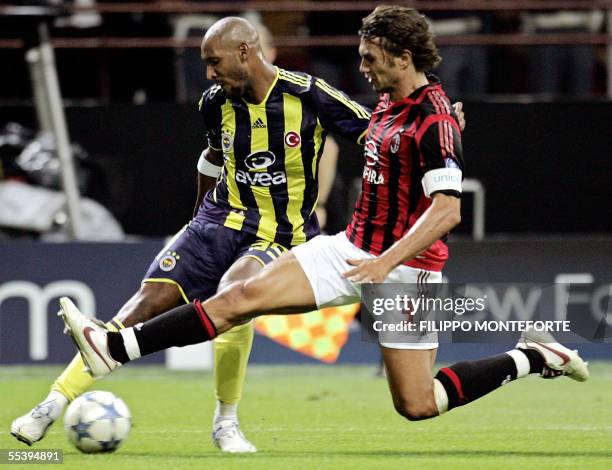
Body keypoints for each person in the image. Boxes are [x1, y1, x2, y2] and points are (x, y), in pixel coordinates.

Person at [58, 5, 588, 429]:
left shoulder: (433, 118)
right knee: (238, 299)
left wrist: (386, 263)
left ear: (403, 57)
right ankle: (115, 346)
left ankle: (532, 356)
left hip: (407, 268)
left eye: (370, 58)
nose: (362, 67)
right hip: (348, 246)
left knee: (418, 404)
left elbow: (447, 209)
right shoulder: (387, 102)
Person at [11, 16, 374, 453]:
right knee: (138, 308)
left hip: (278, 231)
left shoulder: (308, 94)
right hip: (216, 221)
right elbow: (212, 158)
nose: (208, 73)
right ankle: (50, 406)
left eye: (213, 62)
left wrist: (438, 125)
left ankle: (226, 421)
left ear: (245, 51)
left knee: (236, 293)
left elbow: (377, 132)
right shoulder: (215, 102)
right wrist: (196, 221)